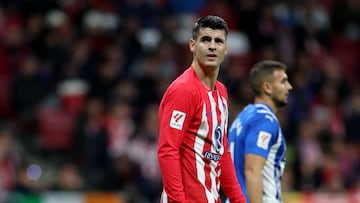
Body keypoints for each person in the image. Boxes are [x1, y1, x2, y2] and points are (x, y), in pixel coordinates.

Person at [157, 15, 246, 203]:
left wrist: (238, 198)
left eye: (218, 41)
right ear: (192, 45)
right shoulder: (184, 90)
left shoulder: (221, 92)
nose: (212, 46)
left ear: (226, 49)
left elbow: (220, 151)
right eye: (205, 40)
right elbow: (168, 150)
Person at [228, 60, 293, 203]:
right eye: (283, 82)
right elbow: (252, 170)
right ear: (267, 87)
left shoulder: (243, 117)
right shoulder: (264, 120)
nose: (289, 87)